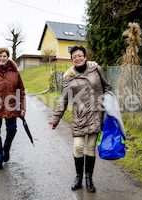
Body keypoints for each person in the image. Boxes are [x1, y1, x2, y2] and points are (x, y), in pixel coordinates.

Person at [49, 46, 112, 192]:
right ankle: (78, 177)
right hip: (80, 117)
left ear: (85, 56)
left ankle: (89, 178)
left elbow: (107, 88)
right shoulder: (69, 77)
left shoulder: (96, 69)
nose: (77, 58)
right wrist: (55, 120)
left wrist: (106, 104)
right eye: (74, 57)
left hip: (96, 115)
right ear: (72, 59)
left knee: (90, 147)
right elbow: (63, 100)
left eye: (80, 55)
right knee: (78, 146)